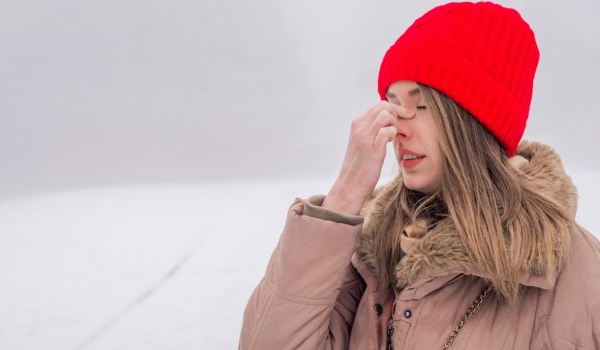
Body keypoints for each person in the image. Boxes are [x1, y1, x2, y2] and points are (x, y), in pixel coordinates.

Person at [239, 2, 600, 349]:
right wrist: (344, 197)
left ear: (474, 121)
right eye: (393, 103)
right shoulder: (366, 249)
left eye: (421, 104)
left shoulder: (575, 274)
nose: (397, 126)